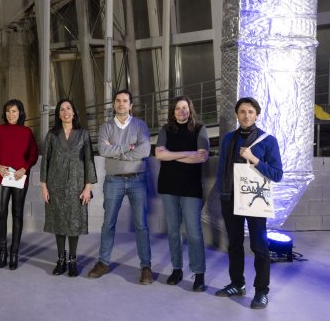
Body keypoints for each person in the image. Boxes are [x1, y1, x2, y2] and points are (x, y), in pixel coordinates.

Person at [215, 97, 283, 309]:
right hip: (230, 198)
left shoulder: (267, 141)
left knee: (258, 246)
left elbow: (277, 174)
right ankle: (237, 283)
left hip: (254, 200)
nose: (246, 115)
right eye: (242, 112)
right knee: (234, 244)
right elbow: (221, 168)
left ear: (257, 115)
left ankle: (261, 291)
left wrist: (254, 159)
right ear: (237, 115)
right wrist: (222, 192)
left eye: (250, 112)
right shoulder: (228, 139)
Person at [87, 90, 153, 284]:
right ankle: (103, 262)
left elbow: (145, 150)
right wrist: (129, 147)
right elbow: (103, 150)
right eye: (118, 101)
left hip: (137, 179)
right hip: (114, 180)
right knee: (108, 223)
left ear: (131, 105)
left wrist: (117, 152)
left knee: (141, 225)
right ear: (114, 104)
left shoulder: (140, 125)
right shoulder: (106, 127)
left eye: (125, 101)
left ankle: (146, 267)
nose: (121, 104)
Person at [154, 96, 209, 291]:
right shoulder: (166, 129)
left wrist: (172, 156)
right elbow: (159, 154)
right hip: (169, 187)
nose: (181, 111)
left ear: (190, 109)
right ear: (173, 111)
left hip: (191, 189)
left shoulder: (200, 129)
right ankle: (177, 269)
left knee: (194, 232)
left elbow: (201, 157)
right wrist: (188, 153)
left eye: (185, 107)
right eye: (178, 108)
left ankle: (199, 273)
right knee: (173, 231)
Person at [40, 99, 97, 277]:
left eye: (69, 108)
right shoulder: (51, 135)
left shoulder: (83, 135)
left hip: (76, 185)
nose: (66, 112)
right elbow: (45, 162)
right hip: (55, 185)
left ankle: (72, 260)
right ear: (58, 114)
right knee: (58, 222)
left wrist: (88, 187)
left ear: (74, 112)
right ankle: (60, 260)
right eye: (62, 109)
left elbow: (89, 161)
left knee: (73, 222)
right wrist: (44, 186)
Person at [0, 99, 38, 270]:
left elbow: (33, 154)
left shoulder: (26, 132)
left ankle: (14, 253)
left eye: (14, 111)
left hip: (18, 177)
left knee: (17, 214)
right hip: (1, 176)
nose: (11, 115)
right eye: (8, 111)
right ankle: (2, 253)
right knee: (1, 214)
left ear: (20, 113)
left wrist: (24, 168)